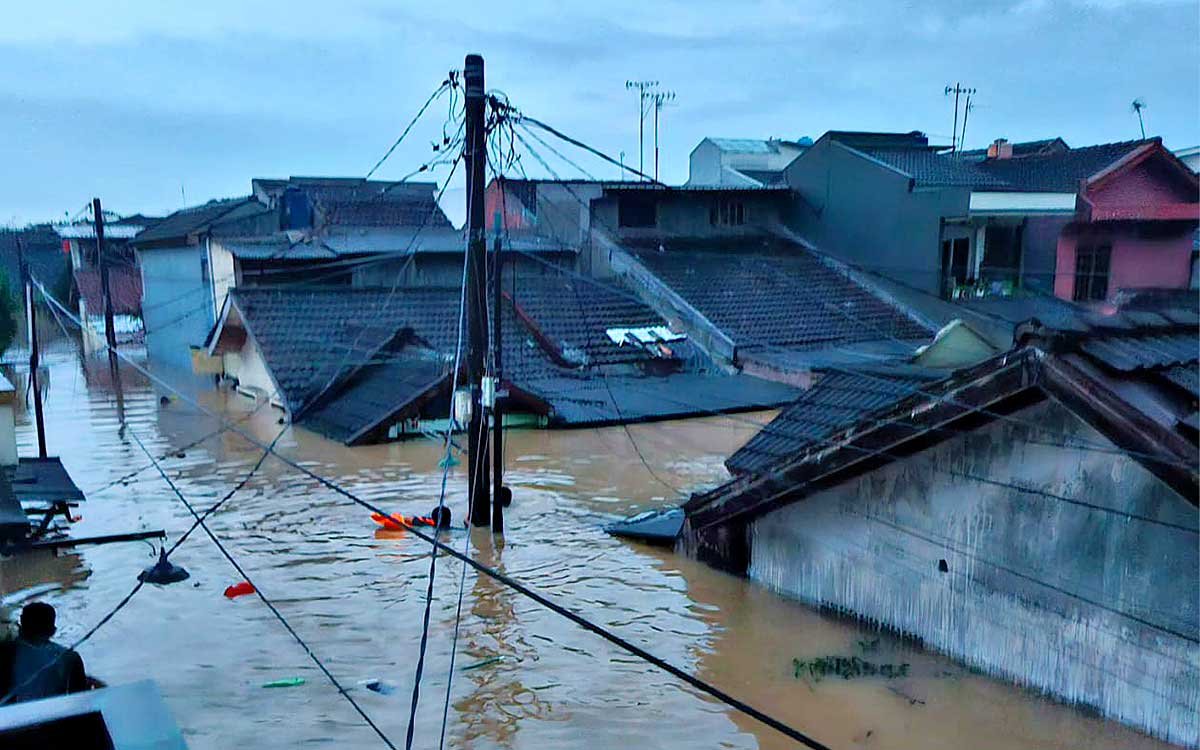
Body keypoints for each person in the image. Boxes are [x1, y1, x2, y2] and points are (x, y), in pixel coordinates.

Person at [0, 603, 89, 703]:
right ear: (52, 631)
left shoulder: (4, 653)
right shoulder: (70, 657)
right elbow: (81, 700)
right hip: (54, 715)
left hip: (10, 716)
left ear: (21, 625)